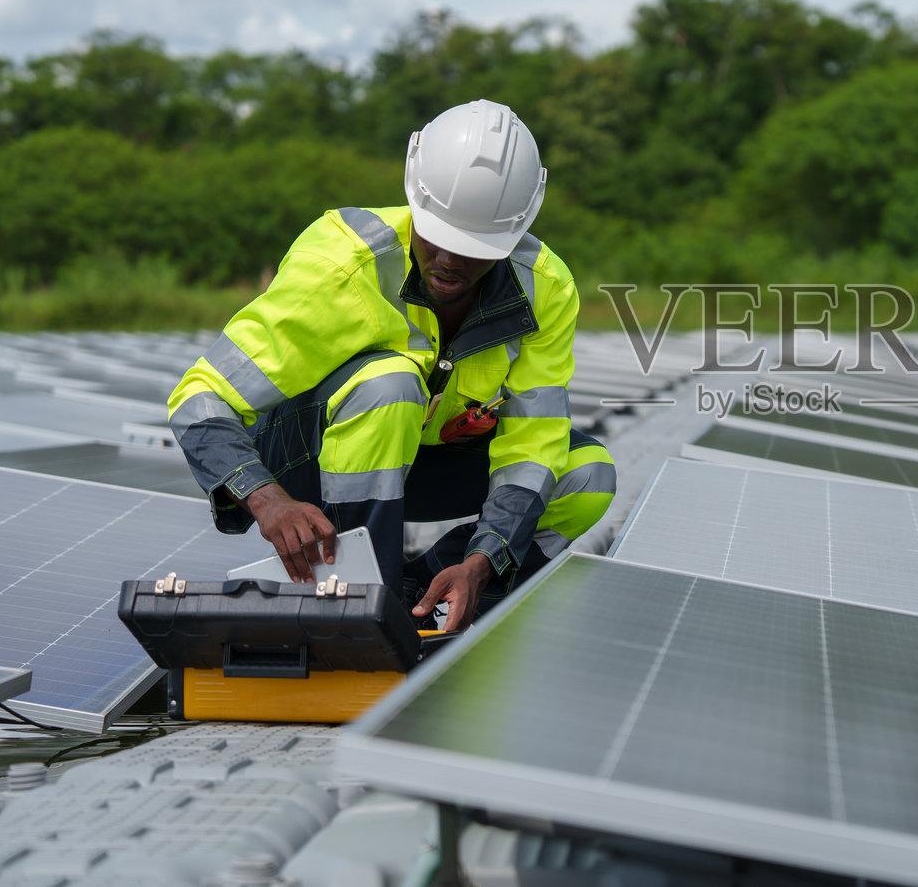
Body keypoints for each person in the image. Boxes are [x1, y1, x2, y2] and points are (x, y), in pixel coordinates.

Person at [167, 99, 615, 631]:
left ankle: (421, 593)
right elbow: (199, 397)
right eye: (437, 236)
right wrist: (268, 501)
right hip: (310, 461)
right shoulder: (343, 262)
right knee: (391, 385)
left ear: (514, 234)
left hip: (419, 460)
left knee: (587, 475)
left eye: (474, 248)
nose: (449, 261)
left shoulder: (544, 289)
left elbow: (534, 443)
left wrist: (483, 559)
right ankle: (353, 603)